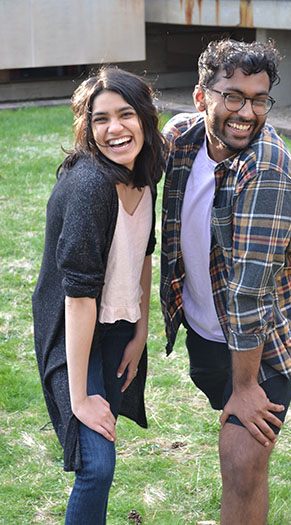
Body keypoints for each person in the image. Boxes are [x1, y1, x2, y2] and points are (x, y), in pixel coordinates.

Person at [161, 39, 291, 524]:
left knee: (243, 462)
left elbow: (251, 289)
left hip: (259, 348)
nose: (247, 112)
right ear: (201, 97)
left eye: (259, 99)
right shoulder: (182, 138)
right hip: (206, 335)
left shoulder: (265, 169)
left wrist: (246, 387)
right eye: (233, 96)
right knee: (241, 459)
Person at [32, 66, 166, 524]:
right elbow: (77, 297)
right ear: (86, 127)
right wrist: (79, 398)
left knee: (100, 462)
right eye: (100, 119)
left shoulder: (148, 169)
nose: (114, 129)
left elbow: (145, 250)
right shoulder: (91, 187)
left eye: (125, 114)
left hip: (117, 327)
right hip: (75, 330)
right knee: (96, 465)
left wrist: (141, 329)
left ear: (145, 119)